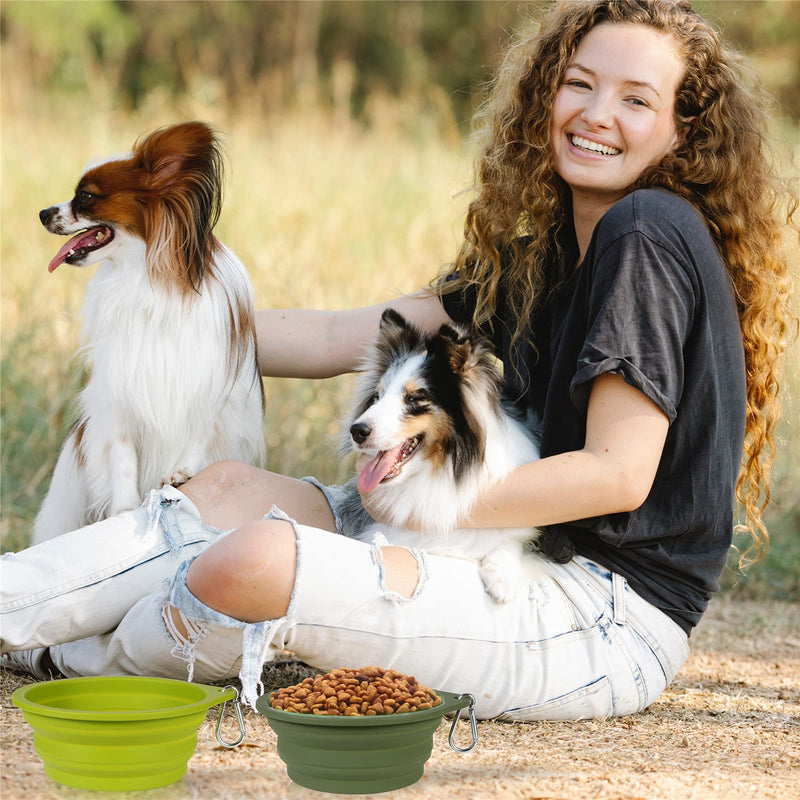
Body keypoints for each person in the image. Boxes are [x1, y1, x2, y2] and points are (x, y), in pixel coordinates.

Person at [2, 0, 796, 720]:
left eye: (636, 99)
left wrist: (412, 504)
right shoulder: (545, 258)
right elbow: (331, 336)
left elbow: (616, 474)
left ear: (684, 130)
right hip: (472, 538)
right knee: (223, 491)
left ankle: (64, 655)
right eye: (579, 83)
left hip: (594, 611)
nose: (595, 114)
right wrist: (165, 298)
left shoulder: (646, 233)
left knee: (253, 561)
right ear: (546, 93)